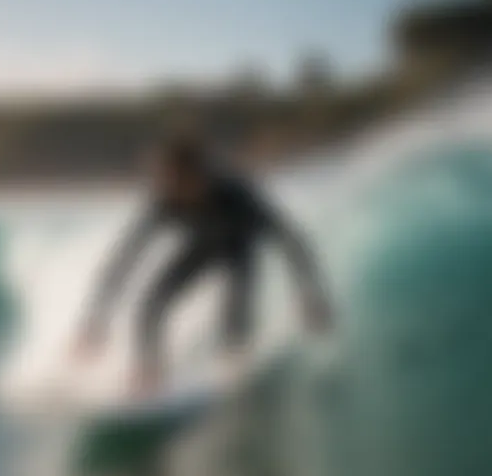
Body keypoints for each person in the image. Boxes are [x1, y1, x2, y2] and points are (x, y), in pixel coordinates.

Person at [73, 132, 332, 393]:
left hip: (240, 247)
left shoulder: (236, 195)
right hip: (204, 247)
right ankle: (151, 372)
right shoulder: (165, 201)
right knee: (150, 306)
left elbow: (290, 238)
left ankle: (237, 371)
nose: (165, 185)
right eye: (163, 178)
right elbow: (125, 258)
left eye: (172, 177)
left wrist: (311, 294)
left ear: (196, 173)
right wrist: (96, 319)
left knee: (234, 322)